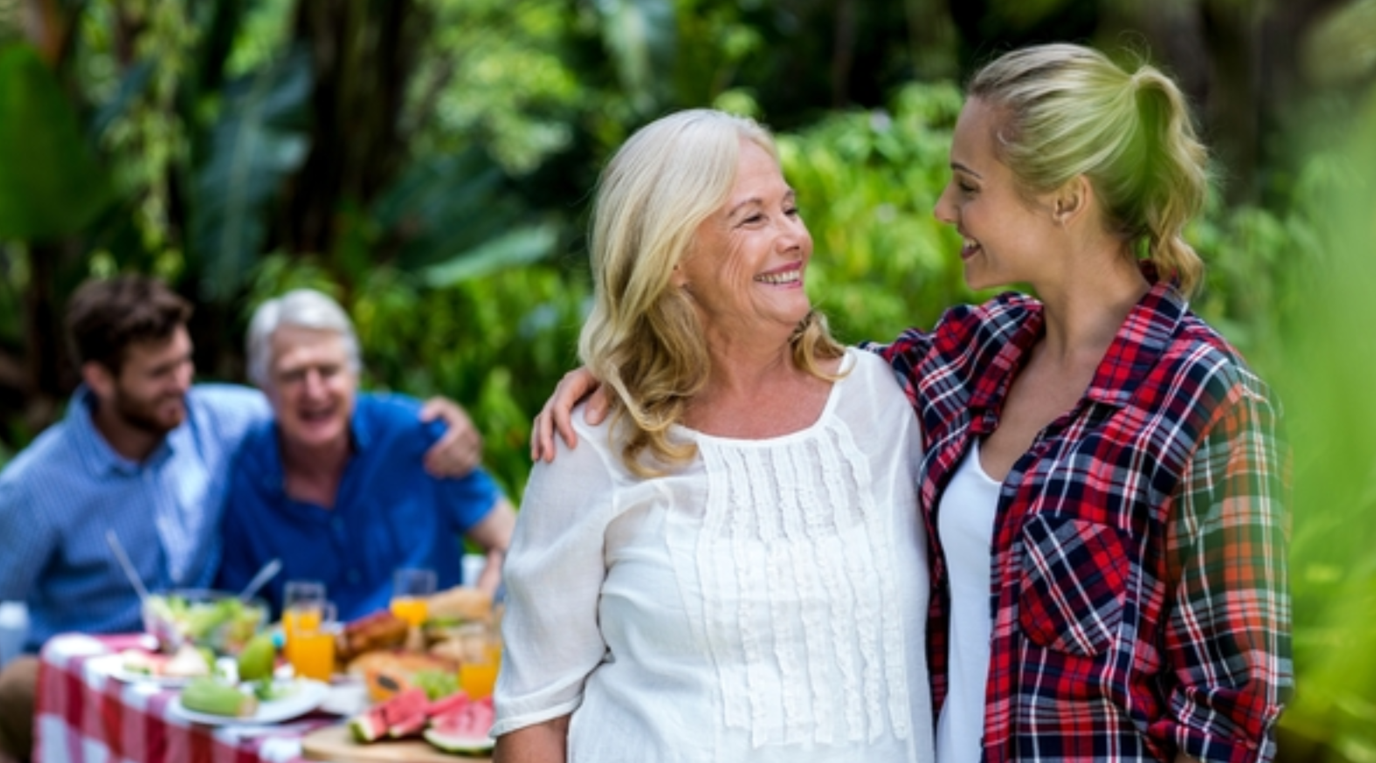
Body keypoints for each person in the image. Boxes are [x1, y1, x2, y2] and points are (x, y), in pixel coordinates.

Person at [534, 45, 1291, 762]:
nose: (942, 208)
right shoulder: (976, 358)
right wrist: (624, 367)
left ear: (1066, 199)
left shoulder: (1206, 400)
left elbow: (1233, 713)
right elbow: (774, 376)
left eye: (968, 186)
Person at [492, 110, 934, 763]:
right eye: (752, 218)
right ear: (671, 259)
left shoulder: (888, 402)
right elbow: (534, 714)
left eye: (789, 209)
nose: (793, 238)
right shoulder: (594, 444)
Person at [0, 275, 482, 763]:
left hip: (199, 678)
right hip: (87, 678)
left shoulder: (220, 418)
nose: (183, 383)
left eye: (186, 362)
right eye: (160, 373)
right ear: (101, 379)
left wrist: (442, 422)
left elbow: (321, 406)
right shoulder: (36, 487)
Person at [216, 289, 516, 621]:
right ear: (265, 388)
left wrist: (476, 617)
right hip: (310, 670)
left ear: (354, 375)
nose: (314, 391)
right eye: (293, 375)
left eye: (328, 371)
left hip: (430, 665)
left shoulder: (415, 435)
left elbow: (513, 541)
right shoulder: (247, 479)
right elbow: (240, 614)